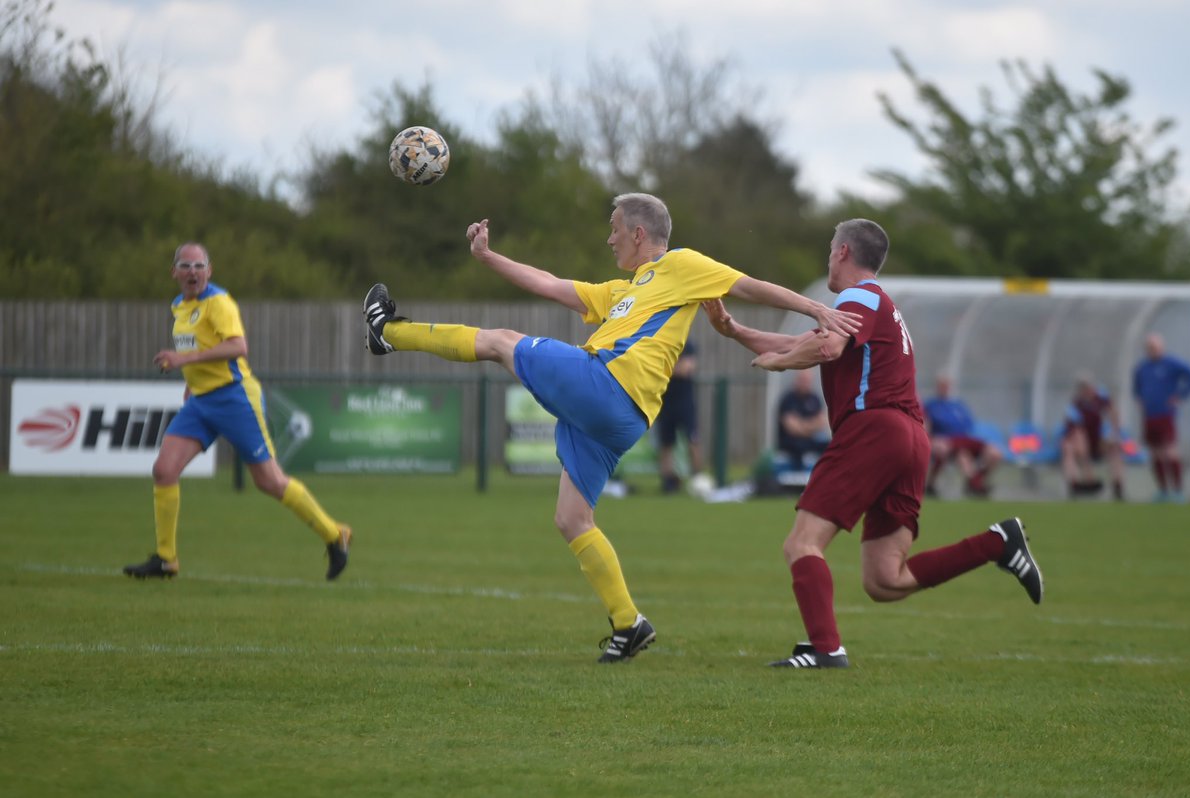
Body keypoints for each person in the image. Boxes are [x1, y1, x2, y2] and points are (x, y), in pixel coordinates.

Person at [361, 192, 861, 663]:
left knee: (499, 340)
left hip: (608, 386)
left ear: (640, 233)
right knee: (572, 519)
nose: (609, 238)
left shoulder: (679, 264)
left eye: (614, 228)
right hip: (617, 417)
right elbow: (550, 284)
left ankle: (388, 333)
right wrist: (488, 258)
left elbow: (747, 285)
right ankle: (629, 623)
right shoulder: (624, 291)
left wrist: (816, 308)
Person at [702, 218, 1042, 669]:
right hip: (910, 438)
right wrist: (734, 331)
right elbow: (807, 340)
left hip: (874, 430)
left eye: (829, 248)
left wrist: (781, 365)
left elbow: (825, 351)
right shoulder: (877, 306)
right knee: (886, 579)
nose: (828, 256)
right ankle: (998, 543)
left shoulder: (857, 295)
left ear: (843, 252)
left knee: (802, 544)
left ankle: (825, 648)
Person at [123, 243, 353, 580]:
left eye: (199, 266)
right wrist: (191, 379)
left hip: (235, 399)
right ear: (174, 272)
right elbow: (198, 345)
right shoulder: (180, 306)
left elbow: (237, 346)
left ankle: (335, 535)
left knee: (270, 481)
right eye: (185, 266)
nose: (192, 272)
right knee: (164, 470)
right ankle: (166, 559)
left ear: (209, 271)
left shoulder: (219, 302)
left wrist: (183, 360)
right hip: (201, 402)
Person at [1133, 333, 1190, 502]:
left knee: (1170, 451)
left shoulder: (1170, 364)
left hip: (1165, 414)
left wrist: (1181, 395)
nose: (1151, 350)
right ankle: (1163, 491)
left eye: (1154, 347)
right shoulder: (1142, 367)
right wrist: (1140, 399)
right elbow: (1137, 388)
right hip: (1149, 416)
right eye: (1149, 347)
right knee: (1155, 453)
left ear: (1161, 347)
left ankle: (1177, 490)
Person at [923, 374, 1004, 497]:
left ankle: (975, 481)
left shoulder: (958, 405)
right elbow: (926, 427)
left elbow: (969, 426)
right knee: (956, 453)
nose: (944, 388)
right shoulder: (931, 406)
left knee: (995, 453)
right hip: (946, 441)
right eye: (942, 385)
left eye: (947, 385)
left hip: (963, 440)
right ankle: (932, 484)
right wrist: (932, 440)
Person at [1060, 374, 1124, 500]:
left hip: (1100, 443)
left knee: (1115, 449)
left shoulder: (1102, 400)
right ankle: (1075, 484)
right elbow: (1075, 431)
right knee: (1068, 447)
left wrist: (1113, 434)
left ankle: (1118, 486)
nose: (1086, 390)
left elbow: (1113, 416)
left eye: (1088, 387)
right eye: (1083, 387)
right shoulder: (1076, 405)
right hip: (1082, 446)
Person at [654, 339, 706, 494]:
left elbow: (686, 369)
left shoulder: (686, 344)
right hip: (665, 403)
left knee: (693, 440)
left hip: (685, 405)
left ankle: (698, 477)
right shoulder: (662, 342)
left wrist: (668, 366)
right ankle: (668, 481)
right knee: (666, 444)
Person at [776, 369, 829, 472]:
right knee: (799, 446)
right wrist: (811, 426)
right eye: (803, 380)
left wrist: (802, 425)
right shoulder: (788, 399)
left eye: (807, 381)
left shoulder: (815, 398)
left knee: (828, 444)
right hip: (792, 443)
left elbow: (822, 423)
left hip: (811, 441)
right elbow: (792, 428)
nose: (805, 383)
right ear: (797, 380)